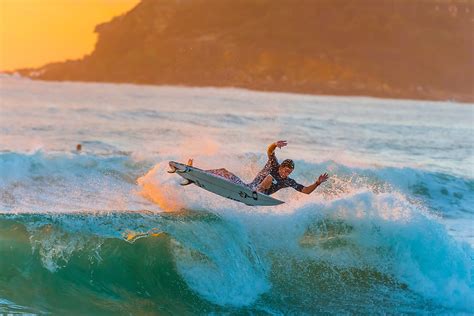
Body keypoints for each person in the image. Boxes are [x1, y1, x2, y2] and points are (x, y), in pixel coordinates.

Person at [202, 140, 329, 195]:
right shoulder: (274, 164)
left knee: (268, 178)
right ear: (281, 167)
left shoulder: (288, 181)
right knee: (224, 171)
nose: (286, 173)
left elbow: (305, 191)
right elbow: (270, 151)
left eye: (289, 172)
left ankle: (256, 193)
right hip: (248, 188)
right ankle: (199, 173)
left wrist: (317, 183)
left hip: (261, 195)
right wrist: (274, 144)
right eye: (285, 170)